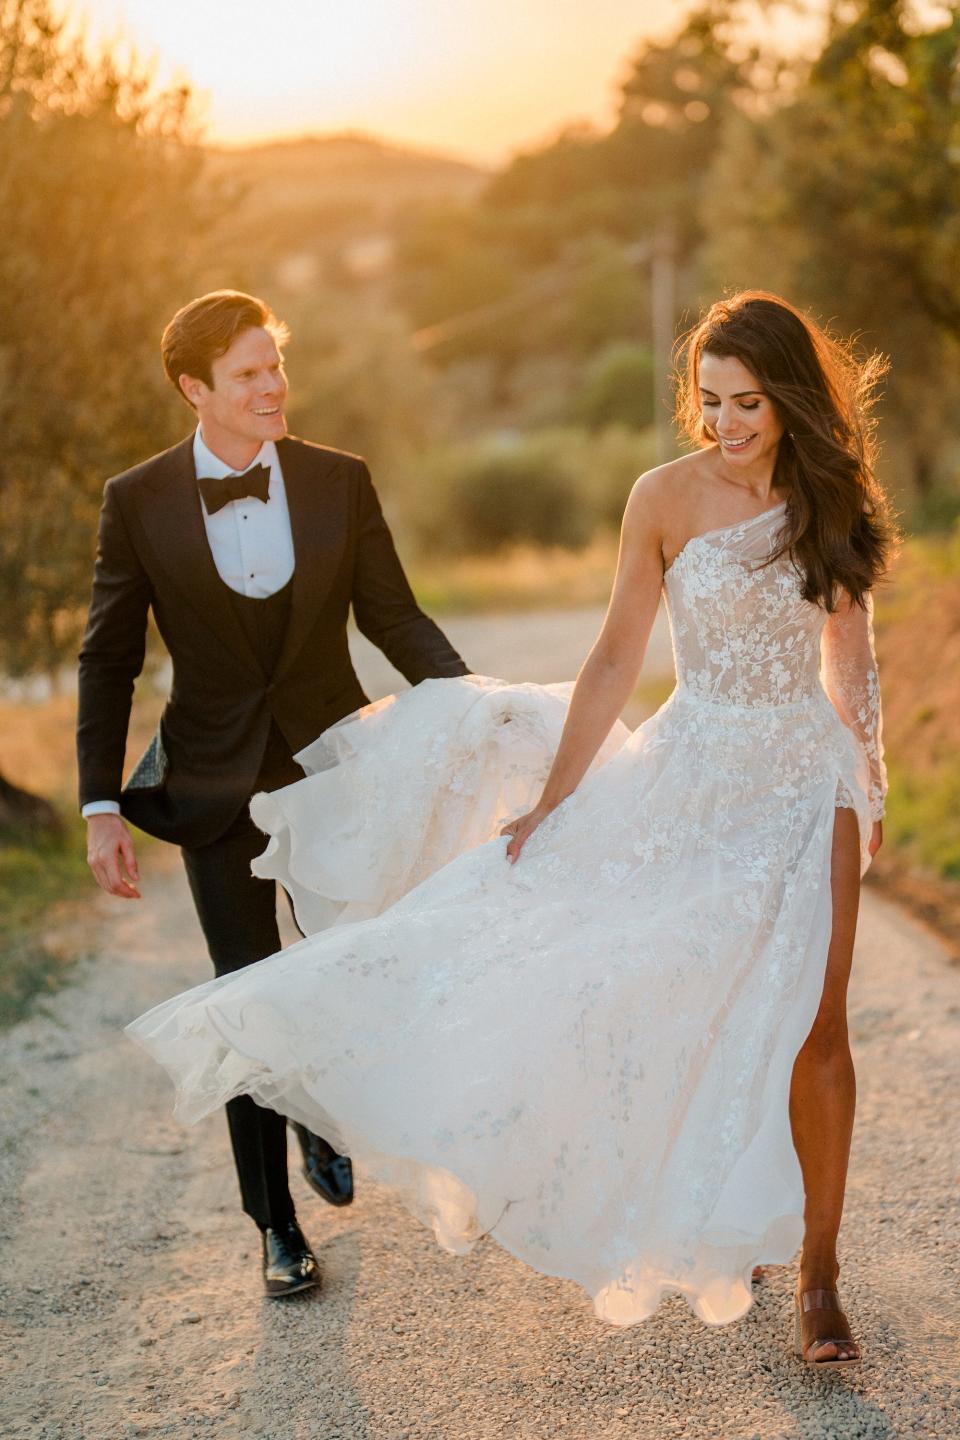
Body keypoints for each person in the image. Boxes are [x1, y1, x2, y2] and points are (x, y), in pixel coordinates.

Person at [127, 292, 895, 1363]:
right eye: (710, 401)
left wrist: (867, 776)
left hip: (804, 783)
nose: (726, 424)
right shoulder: (662, 499)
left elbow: (848, 655)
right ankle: (733, 1213)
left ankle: (820, 1275)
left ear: (793, 399)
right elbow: (618, 657)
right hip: (696, 767)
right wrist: (559, 797)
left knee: (818, 1023)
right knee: (666, 987)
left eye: (750, 403)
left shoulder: (831, 494)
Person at [77, 290, 469, 1297]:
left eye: (276, 365)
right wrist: (98, 806)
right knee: (249, 993)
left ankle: (318, 1108)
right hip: (211, 781)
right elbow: (108, 660)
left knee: (344, 971)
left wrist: (476, 707)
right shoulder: (140, 500)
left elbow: (394, 617)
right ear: (193, 388)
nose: (272, 386)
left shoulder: (340, 481)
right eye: (248, 373)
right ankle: (276, 1230)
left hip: (334, 766)